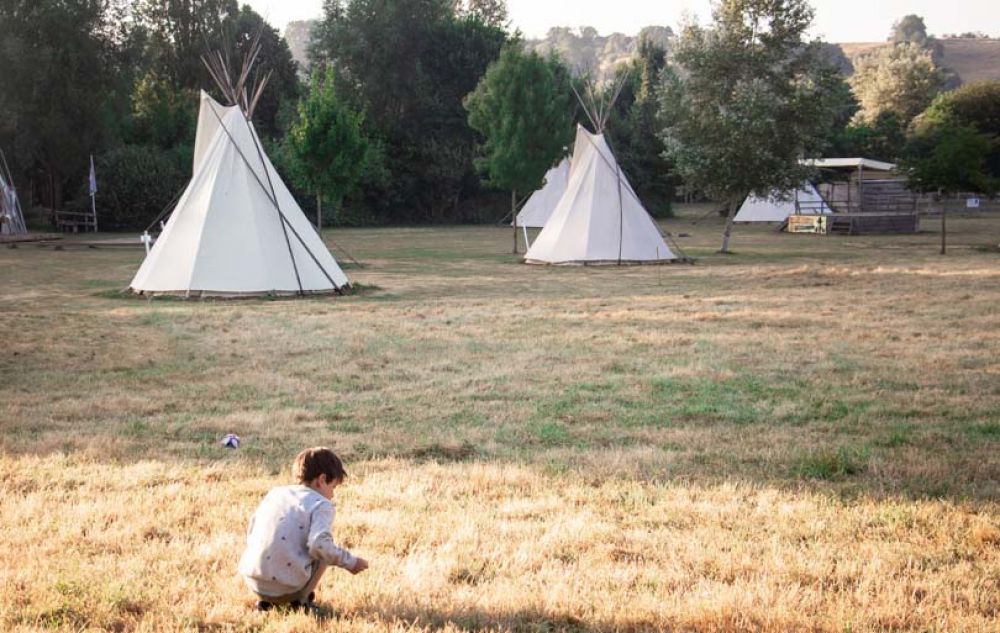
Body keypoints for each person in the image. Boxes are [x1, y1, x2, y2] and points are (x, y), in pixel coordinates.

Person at [238, 447, 368, 612]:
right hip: (289, 589)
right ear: (321, 479)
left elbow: (252, 530)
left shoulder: (275, 493)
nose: (332, 495)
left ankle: (266, 602)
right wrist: (351, 562)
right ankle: (300, 601)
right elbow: (319, 545)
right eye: (333, 487)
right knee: (323, 549)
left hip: (253, 581)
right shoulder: (322, 505)